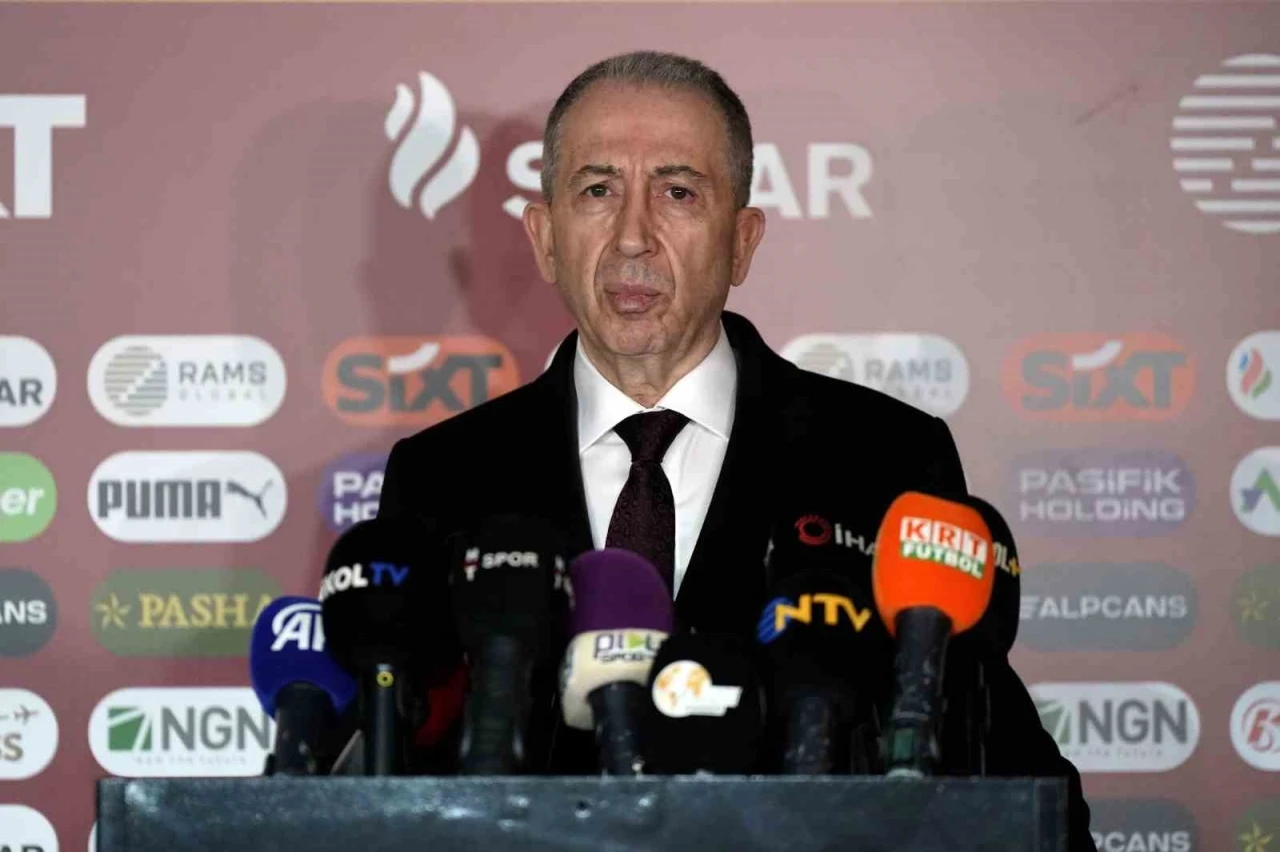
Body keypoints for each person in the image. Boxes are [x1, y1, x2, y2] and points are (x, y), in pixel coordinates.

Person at [378, 50, 1095, 850]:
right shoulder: (442, 477)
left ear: (743, 241)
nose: (633, 237)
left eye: (678, 192)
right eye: (597, 190)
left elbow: (991, 764)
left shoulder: (887, 458)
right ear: (545, 239)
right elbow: (381, 780)